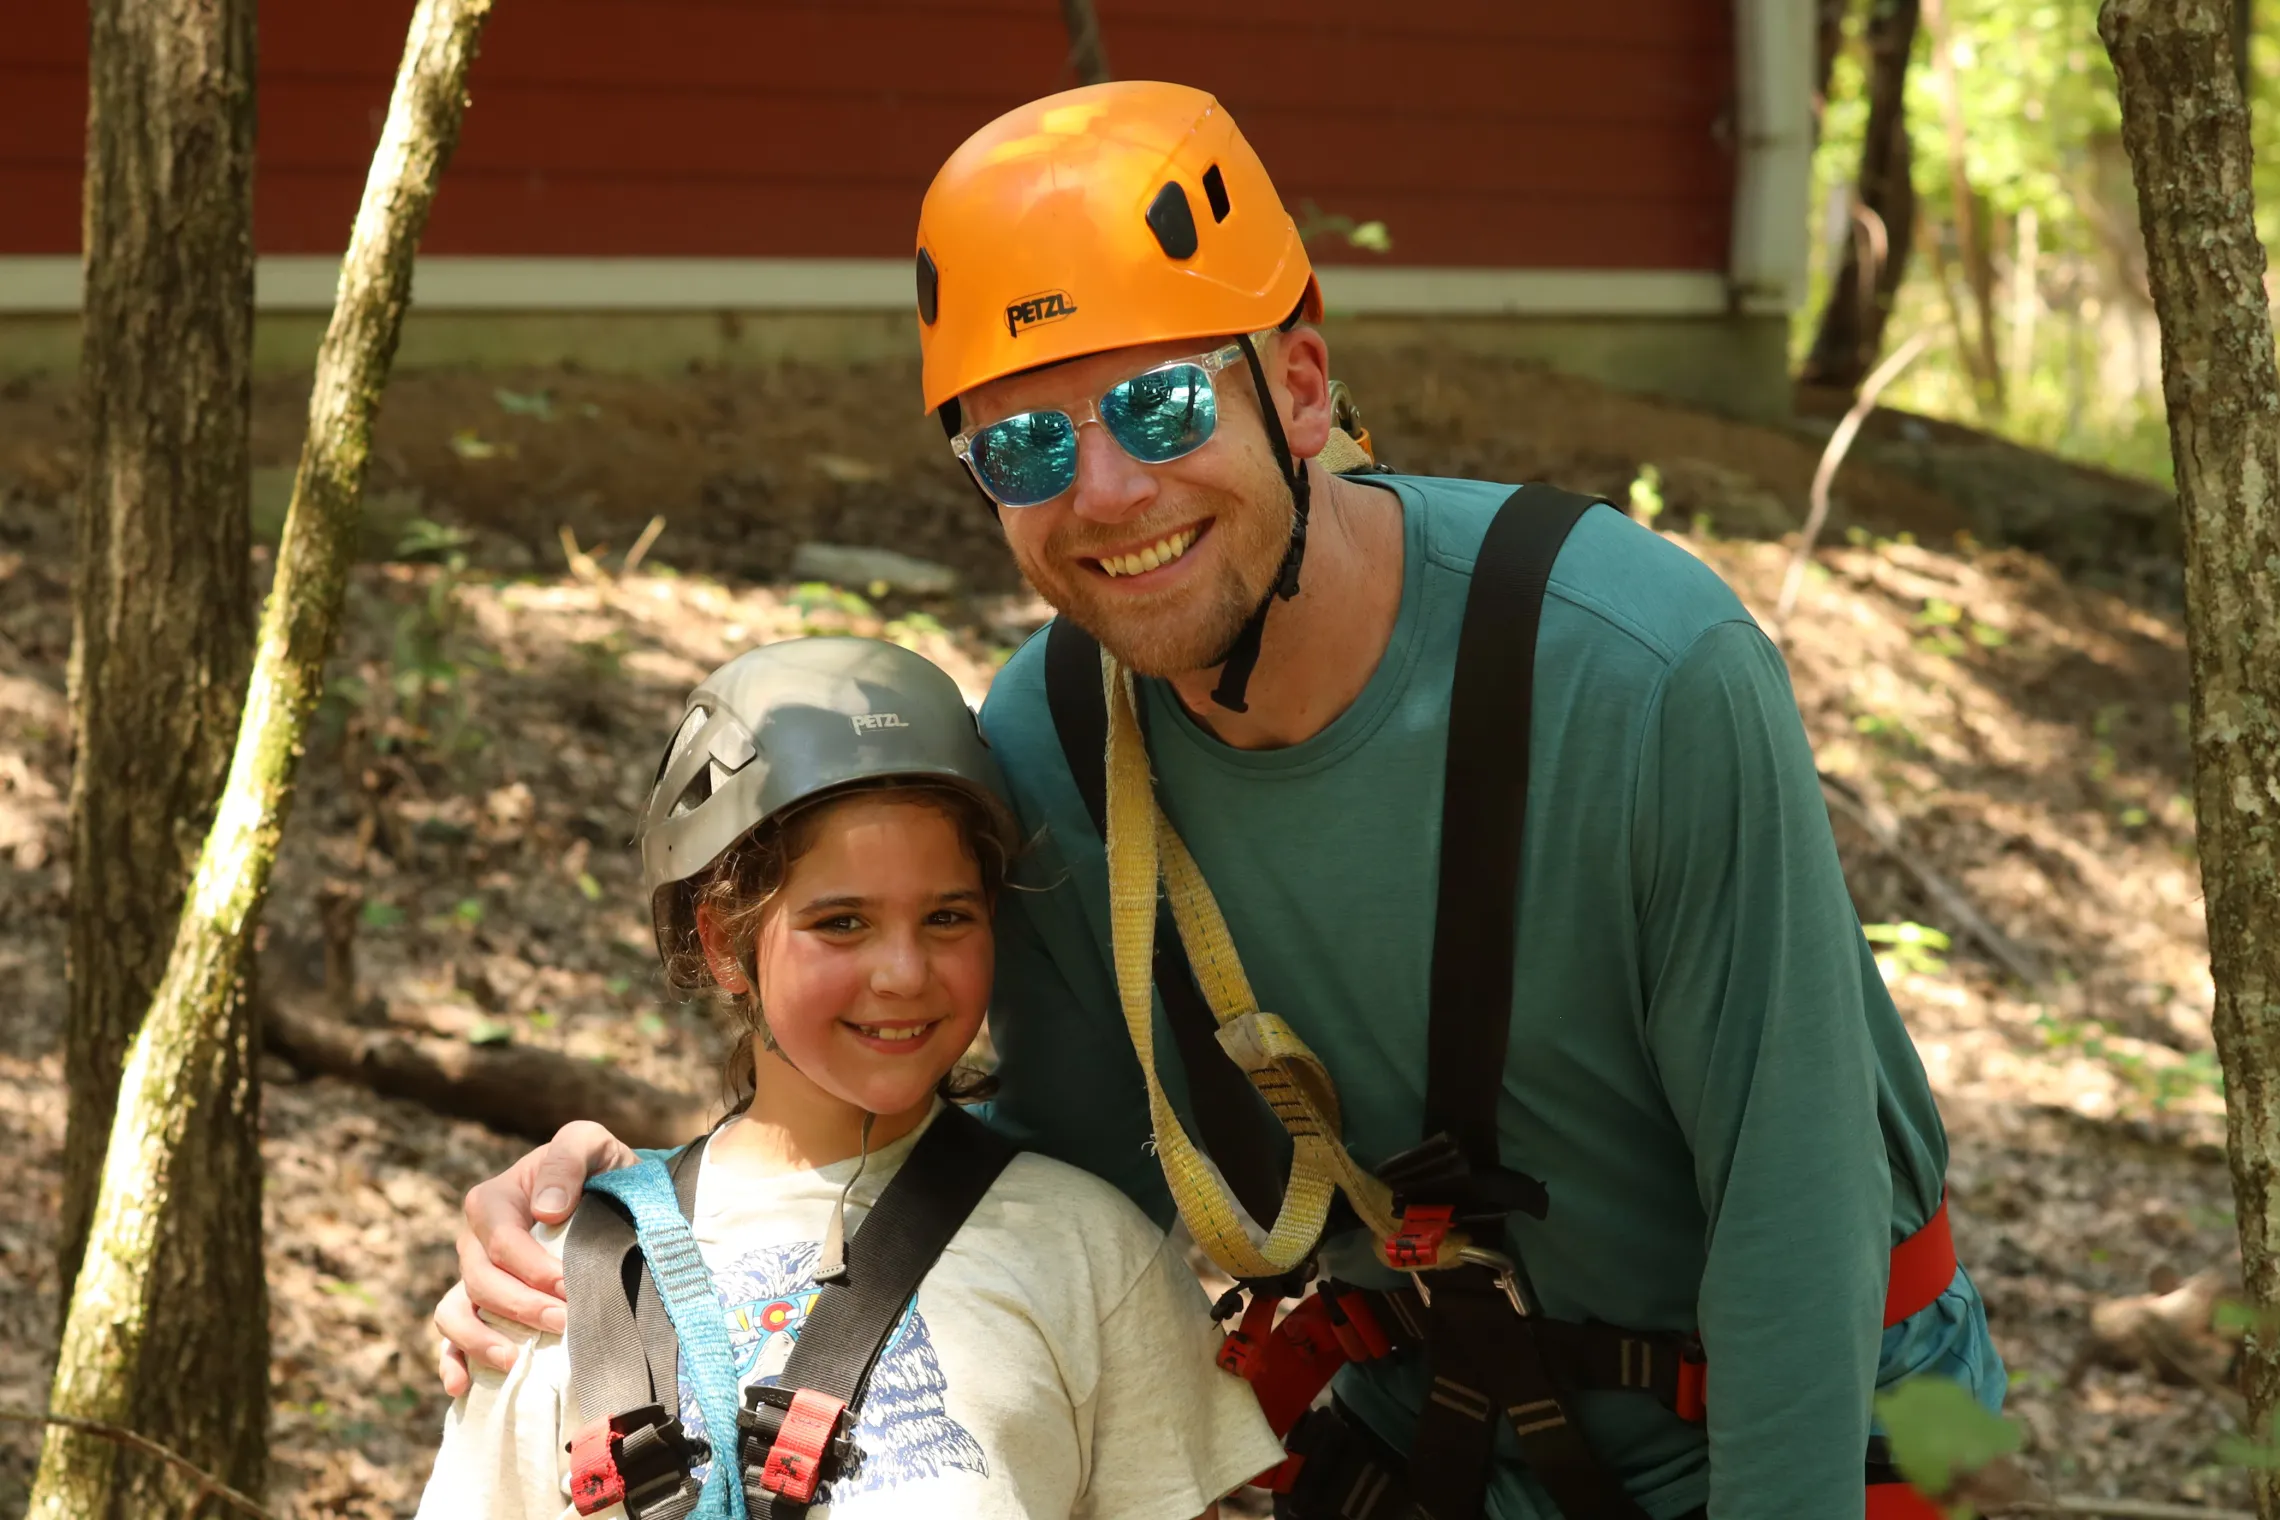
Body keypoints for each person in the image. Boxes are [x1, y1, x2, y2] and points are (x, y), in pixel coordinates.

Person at [432, 82, 2006, 1519]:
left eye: (1165, 407)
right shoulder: (1055, 744)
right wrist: (640, 1229)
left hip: (1823, 1419)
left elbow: (1796, 1208)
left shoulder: (1639, 673)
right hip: (1438, 1428)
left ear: (1300, 385)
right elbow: (1036, 1182)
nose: (1108, 492)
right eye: (1025, 445)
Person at [414, 635, 1282, 1520]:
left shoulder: (1090, 1255)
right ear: (724, 942)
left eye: (947, 916)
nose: (904, 973)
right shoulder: (565, 1271)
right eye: (841, 923)